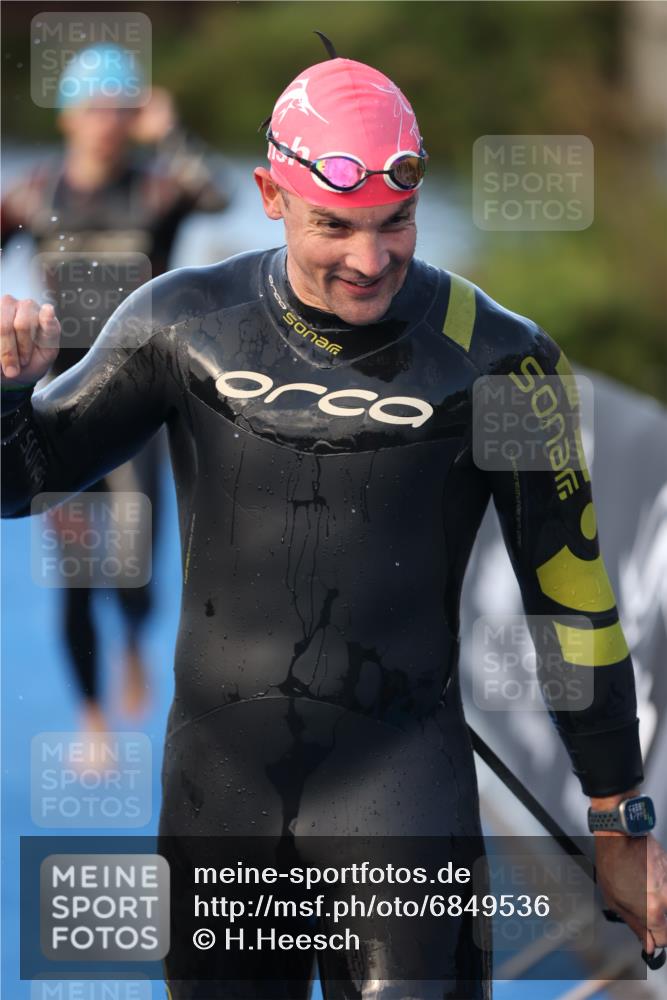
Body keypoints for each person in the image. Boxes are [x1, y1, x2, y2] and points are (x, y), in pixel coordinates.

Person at [2, 45, 666, 1000]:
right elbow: (22, 486)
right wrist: (5, 395)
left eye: (395, 223)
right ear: (271, 195)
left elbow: (569, 601)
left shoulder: (501, 361)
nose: (370, 258)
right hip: (219, 798)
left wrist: (617, 819)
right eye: (335, 226)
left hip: (402, 795)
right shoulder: (180, 322)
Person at [1, 44, 230, 740]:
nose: (106, 121)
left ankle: (132, 642)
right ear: (69, 114)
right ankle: (91, 716)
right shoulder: (34, 194)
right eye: (94, 106)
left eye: (118, 108)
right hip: (61, 398)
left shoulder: (158, 190)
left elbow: (219, 195)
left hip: (138, 399)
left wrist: (171, 135)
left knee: (131, 569)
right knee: (75, 571)